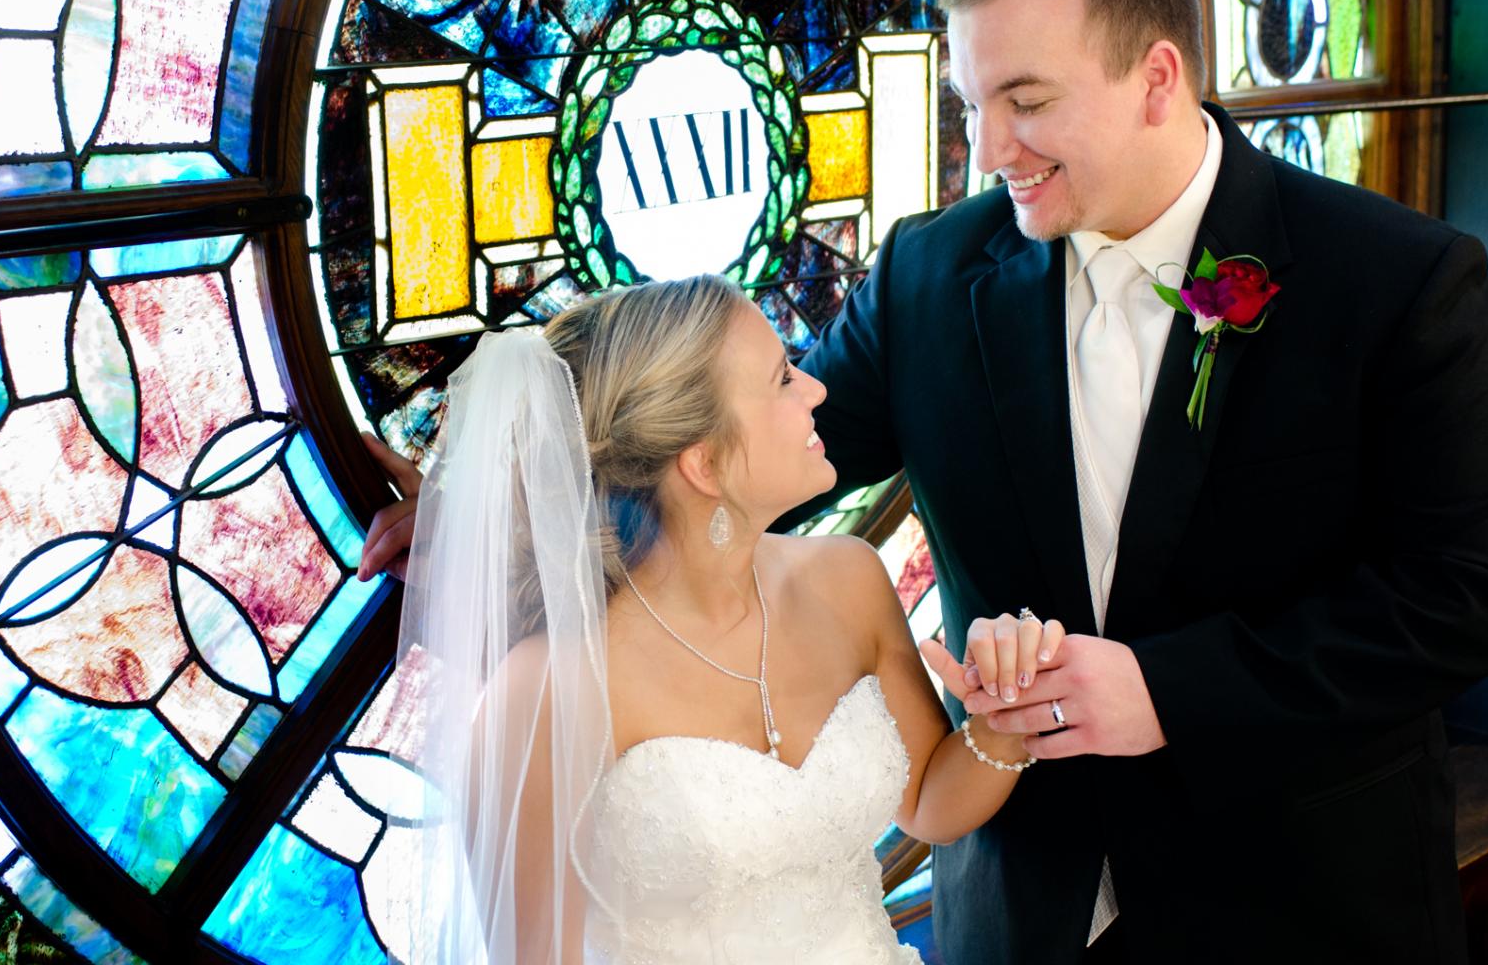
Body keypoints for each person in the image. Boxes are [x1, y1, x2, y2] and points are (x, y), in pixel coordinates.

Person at [780, 0, 1488, 962]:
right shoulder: (924, 276)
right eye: (968, 107)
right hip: (1017, 918)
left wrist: (1169, 692)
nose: (988, 148)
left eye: (1025, 100)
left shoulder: (1391, 279)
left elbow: (1473, 593)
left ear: (1155, 77)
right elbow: (759, 465)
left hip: (1303, 913)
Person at [379, 275, 1066, 964]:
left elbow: (925, 803)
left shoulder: (847, 578)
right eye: (782, 379)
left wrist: (1004, 717)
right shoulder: (548, 688)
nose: (817, 391)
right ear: (703, 463)